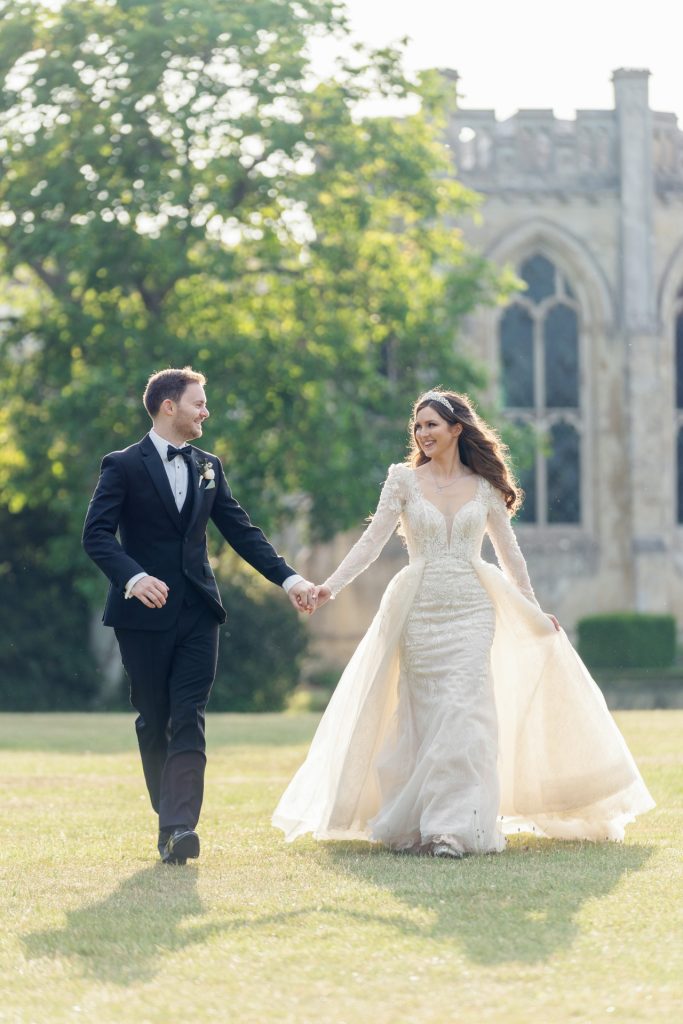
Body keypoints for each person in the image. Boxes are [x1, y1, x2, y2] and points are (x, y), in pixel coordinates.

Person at [273, 389, 654, 855]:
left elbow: (510, 554)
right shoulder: (402, 481)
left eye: (431, 424)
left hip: (474, 608)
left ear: (456, 429)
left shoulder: (485, 487)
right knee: (428, 716)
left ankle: (453, 829)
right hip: (419, 609)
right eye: (417, 426)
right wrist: (329, 587)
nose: (422, 433)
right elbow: (371, 543)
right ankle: (427, 821)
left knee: (465, 713)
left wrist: (532, 608)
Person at [83, 367, 316, 864]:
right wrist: (133, 578)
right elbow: (96, 535)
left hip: (199, 614)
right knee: (155, 718)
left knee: (188, 714)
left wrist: (290, 580)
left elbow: (241, 531)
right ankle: (170, 816)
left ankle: (179, 828)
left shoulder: (209, 466)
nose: (206, 412)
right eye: (199, 403)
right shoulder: (122, 466)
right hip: (142, 616)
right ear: (169, 406)